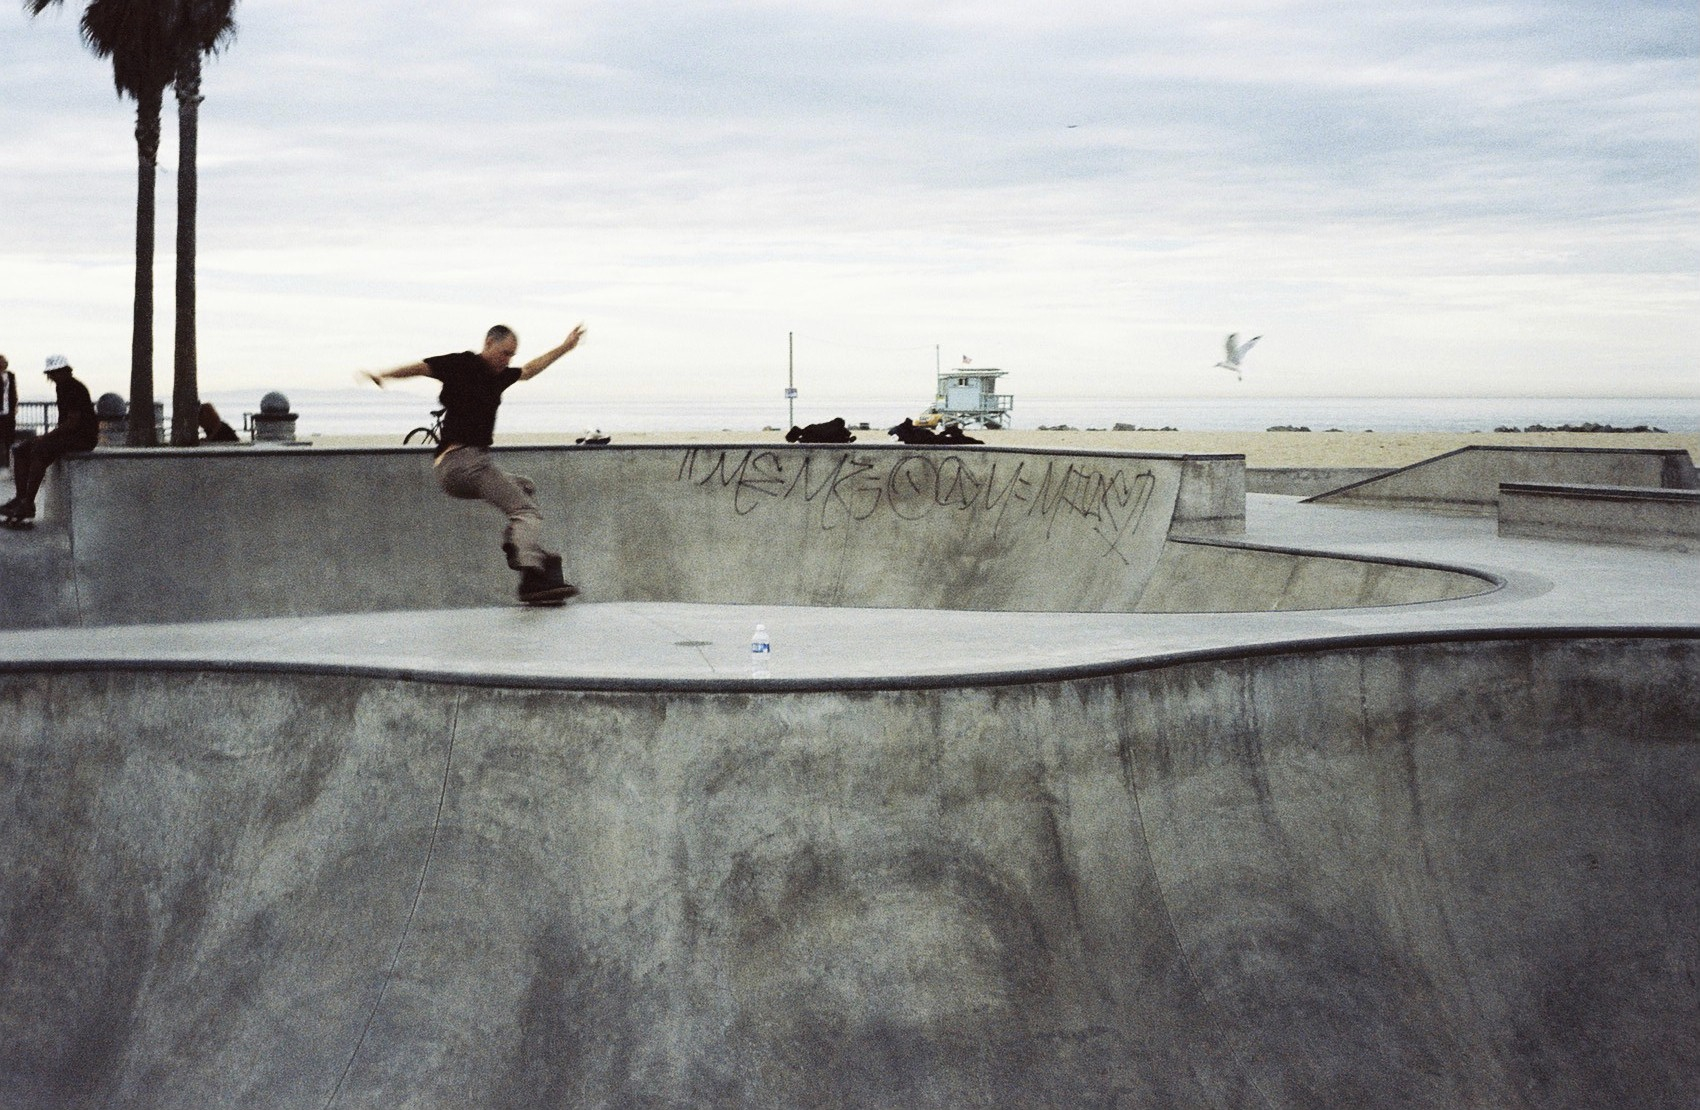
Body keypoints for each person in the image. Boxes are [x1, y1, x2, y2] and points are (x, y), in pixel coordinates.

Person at [364, 323, 586, 605]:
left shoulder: (500, 376)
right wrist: (383, 375)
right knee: (527, 512)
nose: (507, 361)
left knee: (525, 487)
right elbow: (420, 367)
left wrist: (565, 347)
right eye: (504, 353)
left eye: (512, 356)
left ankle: (515, 544)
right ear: (489, 343)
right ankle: (532, 579)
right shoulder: (462, 363)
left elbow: (529, 370)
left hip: (457, 471)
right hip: (464, 463)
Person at [2, 355, 98, 524]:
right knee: (20, 449)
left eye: (55, 373)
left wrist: (47, 437)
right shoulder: (61, 387)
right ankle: (20, 497)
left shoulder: (74, 388)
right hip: (70, 435)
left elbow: (72, 422)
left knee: (41, 450)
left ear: (65, 372)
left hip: (83, 438)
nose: (52, 377)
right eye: (50, 374)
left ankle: (28, 504)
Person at [0, 353, 16, 472]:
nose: (4, 363)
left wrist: (14, 407)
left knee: (9, 437)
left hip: (8, 412)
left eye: (5, 361)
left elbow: (13, 391)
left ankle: (10, 463)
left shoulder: (10, 375)